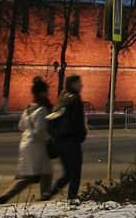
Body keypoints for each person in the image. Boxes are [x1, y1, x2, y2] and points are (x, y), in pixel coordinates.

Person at [0, 76, 53, 204]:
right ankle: (44, 199)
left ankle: (5, 196)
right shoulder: (41, 110)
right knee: (43, 174)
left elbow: (21, 126)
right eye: (47, 91)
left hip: (25, 143)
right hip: (37, 146)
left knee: (29, 175)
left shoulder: (28, 109)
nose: (48, 93)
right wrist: (49, 138)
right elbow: (40, 130)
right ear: (42, 92)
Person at [48, 74, 87, 204]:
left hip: (59, 141)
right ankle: (72, 198)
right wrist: (81, 136)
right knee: (75, 172)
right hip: (71, 140)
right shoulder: (75, 99)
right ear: (73, 84)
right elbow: (77, 122)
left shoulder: (62, 98)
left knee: (68, 172)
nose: (81, 85)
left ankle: (52, 191)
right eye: (79, 83)